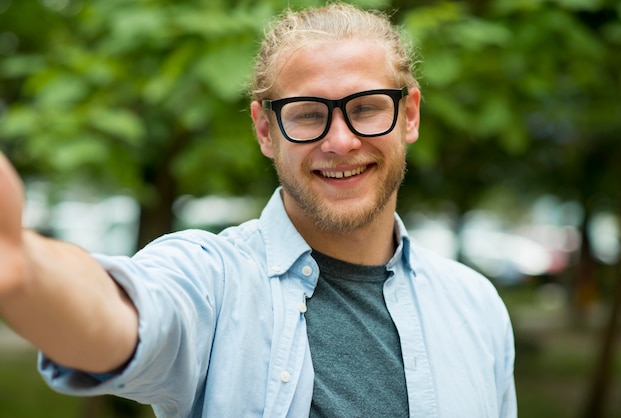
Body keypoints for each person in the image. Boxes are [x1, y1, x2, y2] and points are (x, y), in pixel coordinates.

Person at [0, 3, 516, 417]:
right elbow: (125, 318)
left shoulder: (477, 305)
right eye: (309, 114)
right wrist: (20, 264)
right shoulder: (213, 278)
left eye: (366, 108)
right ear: (266, 130)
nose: (341, 141)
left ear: (409, 115)